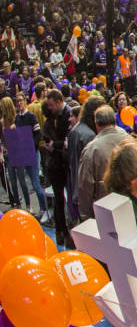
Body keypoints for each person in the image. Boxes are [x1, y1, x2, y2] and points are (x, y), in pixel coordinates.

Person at [77, 105, 129, 221]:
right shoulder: (130, 141)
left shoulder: (91, 150)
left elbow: (85, 187)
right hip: (131, 206)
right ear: (114, 121)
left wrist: (86, 218)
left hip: (106, 211)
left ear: (96, 124)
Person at [1, 96, 48, 219]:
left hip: (32, 153)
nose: (19, 103)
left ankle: (44, 209)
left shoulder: (31, 116)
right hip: (22, 154)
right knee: (27, 182)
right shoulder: (17, 119)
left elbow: (38, 134)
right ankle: (38, 209)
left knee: (35, 183)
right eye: (17, 101)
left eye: (21, 101)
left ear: (25, 102)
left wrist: (32, 148)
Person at [41, 89, 70, 244]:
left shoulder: (67, 115)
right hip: (55, 166)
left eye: (52, 105)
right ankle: (62, 231)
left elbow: (65, 141)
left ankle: (66, 231)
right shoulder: (49, 122)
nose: (50, 108)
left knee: (68, 199)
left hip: (64, 164)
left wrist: (55, 145)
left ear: (58, 102)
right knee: (59, 200)